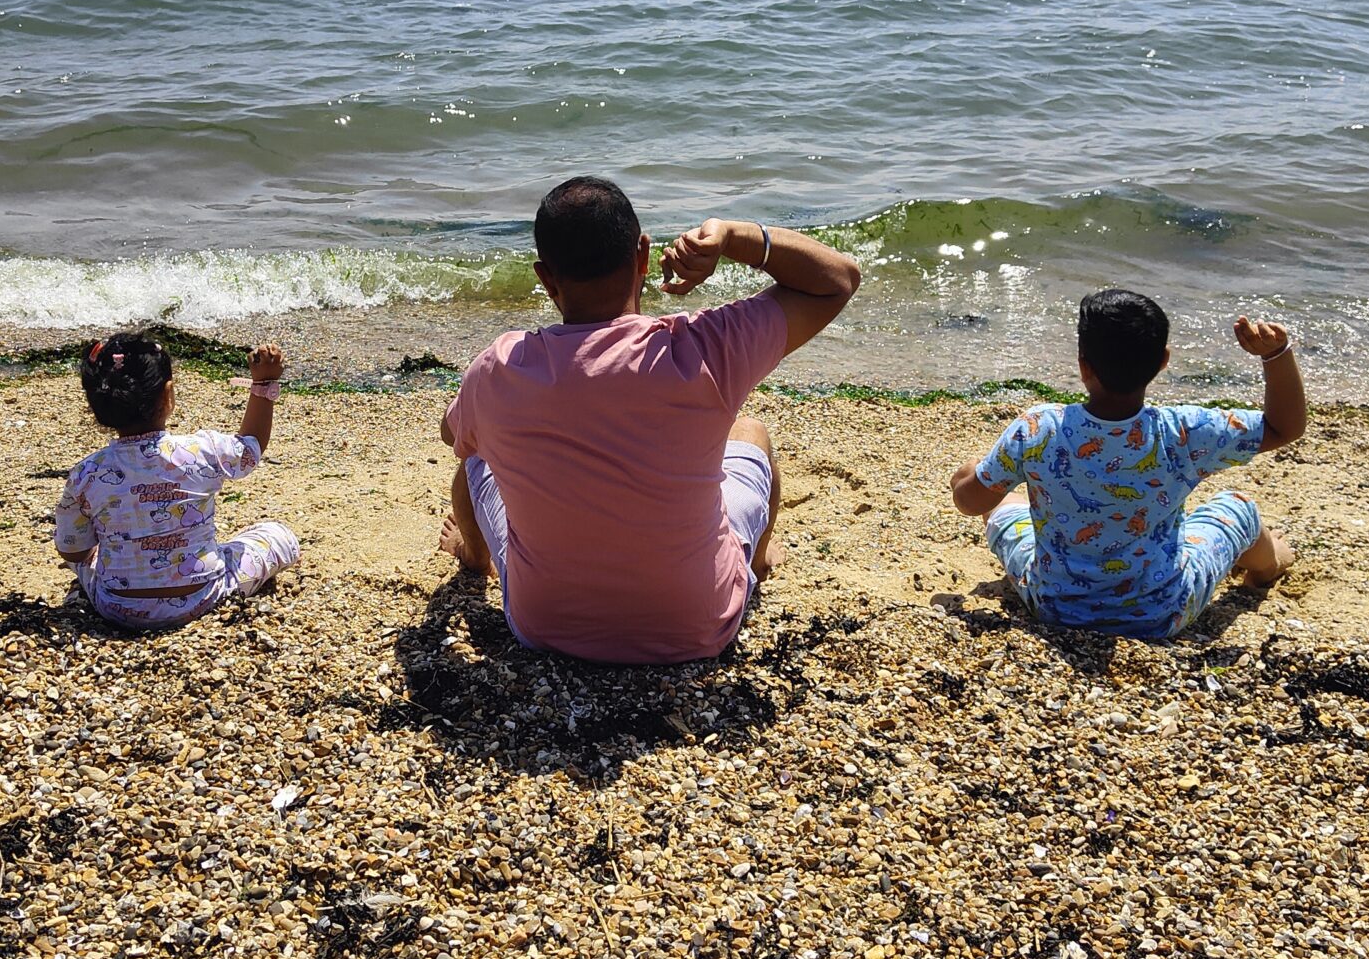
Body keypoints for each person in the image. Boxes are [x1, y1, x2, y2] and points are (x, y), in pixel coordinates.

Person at [438, 175, 862, 665]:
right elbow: (837, 280)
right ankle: (758, 558)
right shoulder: (703, 348)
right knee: (751, 433)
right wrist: (732, 237)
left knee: (475, 456)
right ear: (642, 255)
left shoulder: (498, 368)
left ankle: (474, 555)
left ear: (546, 278)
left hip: (547, 626)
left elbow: (453, 434)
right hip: (698, 625)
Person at [948, 290, 1302, 639]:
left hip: (1055, 606)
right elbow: (1283, 428)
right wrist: (1276, 355)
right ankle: (1267, 566)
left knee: (1003, 502)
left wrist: (969, 475)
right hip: (1161, 613)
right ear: (1163, 361)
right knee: (1238, 507)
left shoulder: (1039, 428)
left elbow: (970, 502)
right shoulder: (1184, 431)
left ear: (1083, 365)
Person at [54, 332, 300, 629]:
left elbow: (73, 550)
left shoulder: (86, 473)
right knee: (278, 535)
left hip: (117, 607)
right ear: (168, 395)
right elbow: (250, 447)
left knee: (83, 557)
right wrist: (263, 382)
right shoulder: (201, 451)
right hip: (204, 596)